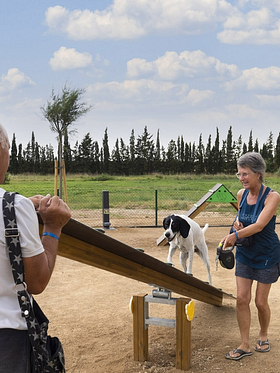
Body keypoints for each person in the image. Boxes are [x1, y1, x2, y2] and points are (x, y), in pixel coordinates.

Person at [0, 123, 71, 372]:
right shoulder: (11, 208)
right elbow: (37, 282)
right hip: (8, 339)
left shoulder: (15, 208)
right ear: (4, 151)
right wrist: (52, 226)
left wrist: (23, 210)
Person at [221, 152, 280, 361]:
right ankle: (245, 344)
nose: (241, 178)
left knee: (260, 302)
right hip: (246, 252)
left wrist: (234, 235)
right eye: (239, 174)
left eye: (245, 174)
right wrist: (236, 224)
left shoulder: (273, 197)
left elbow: (260, 225)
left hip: (266, 254)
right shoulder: (241, 194)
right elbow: (241, 218)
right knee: (241, 299)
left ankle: (263, 334)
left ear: (258, 174)